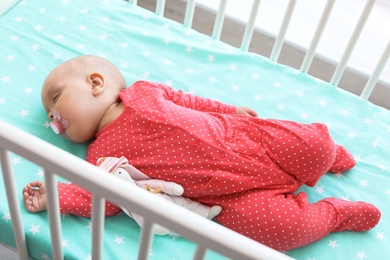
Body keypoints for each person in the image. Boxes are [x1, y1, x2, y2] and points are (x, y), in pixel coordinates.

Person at [23, 55, 381, 251]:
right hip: (229, 197)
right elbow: (104, 197)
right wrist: (55, 196)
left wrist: (230, 110)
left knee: (314, 145)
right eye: (49, 116)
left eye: (55, 99)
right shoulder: (100, 158)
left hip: (243, 139)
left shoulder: (144, 92)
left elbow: (192, 102)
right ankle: (335, 215)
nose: (53, 118)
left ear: (96, 83)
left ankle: (329, 157)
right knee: (282, 232)